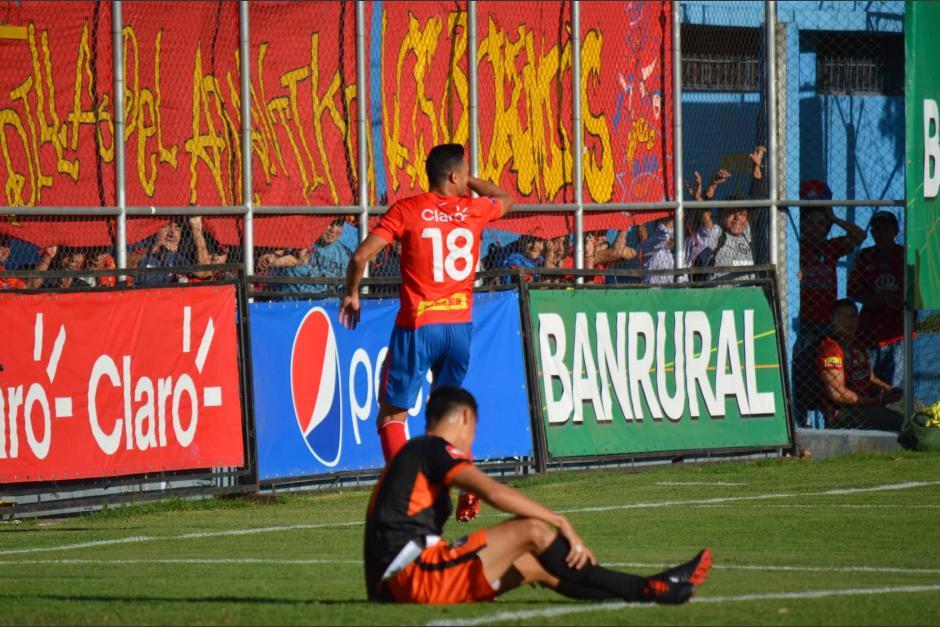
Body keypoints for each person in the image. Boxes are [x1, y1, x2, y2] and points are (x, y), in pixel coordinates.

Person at [364, 386, 712, 605]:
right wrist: (558, 520)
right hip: (411, 578)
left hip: (394, 583)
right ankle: (650, 586)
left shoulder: (415, 452)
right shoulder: (434, 448)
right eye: (475, 428)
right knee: (532, 531)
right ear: (465, 417)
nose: (473, 438)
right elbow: (492, 490)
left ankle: (646, 592)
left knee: (533, 568)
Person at [340, 143, 513, 522]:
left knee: (391, 418)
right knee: (448, 416)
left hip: (419, 325)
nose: (468, 179)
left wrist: (352, 293)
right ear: (455, 177)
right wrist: (473, 184)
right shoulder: (474, 209)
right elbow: (505, 198)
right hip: (459, 328)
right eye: (465, 172)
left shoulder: (407, 209)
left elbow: (359, 257)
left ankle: (407, 492)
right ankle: (467, 481)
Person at [791, 180, 866, 427]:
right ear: (802, 225)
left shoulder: (830, 248)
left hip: (828, 326)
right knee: (804, 375)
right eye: (809, 223)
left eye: (820, 224)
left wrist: (833, 218)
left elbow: (859, 235)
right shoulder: (796, 250)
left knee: (831, 377)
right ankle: (800, 422)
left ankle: (831, 420)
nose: (815, 229)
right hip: (805, 327)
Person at [817, 299, 903, 430]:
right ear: (832, 320)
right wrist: (874, 401)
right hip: (842, 412)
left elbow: (870, 378)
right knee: (897, 419)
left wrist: (889, 390)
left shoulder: (858, 345)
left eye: (852, 316)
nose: (848, 321)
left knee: (912, 405)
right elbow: (837, 394)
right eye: (842, 317)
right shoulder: (831, 349)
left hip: (866, 404)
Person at [847, 211, 904, 388]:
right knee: (867, 383)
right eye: (876, 230)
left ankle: (895, 415)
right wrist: (881, 299)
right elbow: (853, 291)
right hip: (869, 333)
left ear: (895, 231)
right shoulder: (865, 256)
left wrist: (899, 299)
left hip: (898, 332)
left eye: (885, 229)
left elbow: (916, 289)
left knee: (894, 386)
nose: (880, 233)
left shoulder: (905, 255)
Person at [266, 219, 353, 294]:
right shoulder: (300, 243)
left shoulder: (345, 254)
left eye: (338, 224)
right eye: (329, 223)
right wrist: (272, 260)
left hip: (329, 305)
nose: (333, 230)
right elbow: (277, 259)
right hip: (293, 303)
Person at [134, 219, 191, 286]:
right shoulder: (140, 244)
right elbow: (124, 263)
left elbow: (202, 273)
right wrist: (154, 249)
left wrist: (197, 231)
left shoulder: (174, 254)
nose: (172, 233)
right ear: (155, 229)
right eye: (166, 225)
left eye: (177, 227)